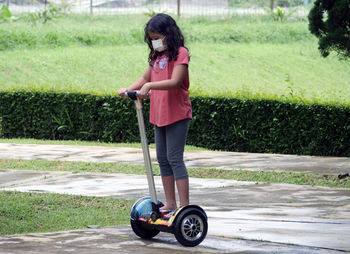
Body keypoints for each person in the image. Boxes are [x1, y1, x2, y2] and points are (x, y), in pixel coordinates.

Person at [118, 13, 192, 212]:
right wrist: (128, 89)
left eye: (157, 38)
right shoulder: (156, 57)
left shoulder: (180, 54)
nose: (155, 42)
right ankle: (170, 203)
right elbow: (144, 79)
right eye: (152, 39)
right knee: (162, 159)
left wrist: (150, 85)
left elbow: (175, 81)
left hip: (177, 114)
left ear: (168, 34)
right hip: (159, 115)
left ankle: (184, 207)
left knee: (175, 158)